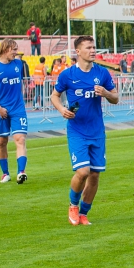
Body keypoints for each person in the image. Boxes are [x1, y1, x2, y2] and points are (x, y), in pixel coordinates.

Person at [51, 36, 119, 225]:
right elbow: (54, 96)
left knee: (95, 175)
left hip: (97, 131)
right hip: (77, 131)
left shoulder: (102, 73)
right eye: (88, 47)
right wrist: (62, 109)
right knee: (83, 172)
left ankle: (83, 213)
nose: (93, 50)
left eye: (94, 47)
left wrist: (105, 93)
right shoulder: (68, 75)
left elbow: (116, 98)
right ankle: (73, 205)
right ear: (78, 52)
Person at [0, 39, 31, 184]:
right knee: (1, 142)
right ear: (5, 49)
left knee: (20, 139)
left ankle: (21, 172)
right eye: (14, 50)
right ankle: (5, 173)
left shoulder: (18, 64)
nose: (16, 53)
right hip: (1, 110)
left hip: (18, 109)